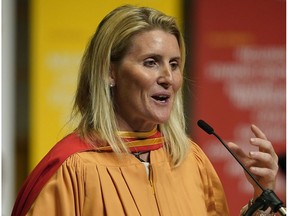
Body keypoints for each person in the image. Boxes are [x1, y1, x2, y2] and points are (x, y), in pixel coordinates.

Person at [12, 5, 279, 216]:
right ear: (109, 72)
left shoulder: (191, 162)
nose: (168, 77)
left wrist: (262, 198)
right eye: (151, 62)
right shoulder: (73, 169)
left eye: (174, 64)